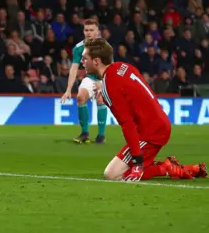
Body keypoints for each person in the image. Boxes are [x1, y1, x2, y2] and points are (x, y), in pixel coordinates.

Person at [82, 38, 206, 181]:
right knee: (118, 170)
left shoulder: (109, 85)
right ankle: (170, 167)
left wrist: (137, 162)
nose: (82, 62)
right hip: (157, 124)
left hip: (150, 132)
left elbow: (127, 125)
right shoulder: (122, 66)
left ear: (96, 61)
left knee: (113, 175)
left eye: (85, 59)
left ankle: (165, 168)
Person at [61, 19, 109, 144]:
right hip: (90, 77)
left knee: (100, 99)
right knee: (80, 97)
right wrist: (68, 90)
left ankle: (101, 135)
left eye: (91, 30)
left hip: (104, 78)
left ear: (97, 31)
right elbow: (74, 69)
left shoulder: (105, 47)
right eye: (86, 30)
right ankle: (85, 133)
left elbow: (111, 67)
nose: (88, 33)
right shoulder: (78, 48)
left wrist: (103, 83)